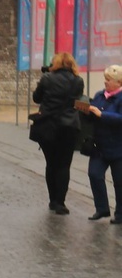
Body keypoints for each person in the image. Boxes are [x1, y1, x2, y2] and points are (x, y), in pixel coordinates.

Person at [32, 52, 84, 215]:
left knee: (51, 163)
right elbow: (77, 101)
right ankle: (61, 202)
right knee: (64, 165)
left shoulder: (47, 78)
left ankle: (52, 200)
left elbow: (37, 98)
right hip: (69, 126)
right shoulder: (78, 81)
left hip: (48, 125)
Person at [82, 65, 122, 223]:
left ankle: (120, 214)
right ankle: (102, 208)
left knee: (119, 183)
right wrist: (87, 112)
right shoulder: (99, 95)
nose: (105, 82)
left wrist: (102, 115)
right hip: (99, 146)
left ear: (119, 82)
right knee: (94, 174)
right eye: (105, 79)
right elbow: (93, 117)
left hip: (118, 147)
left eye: (108, 80)